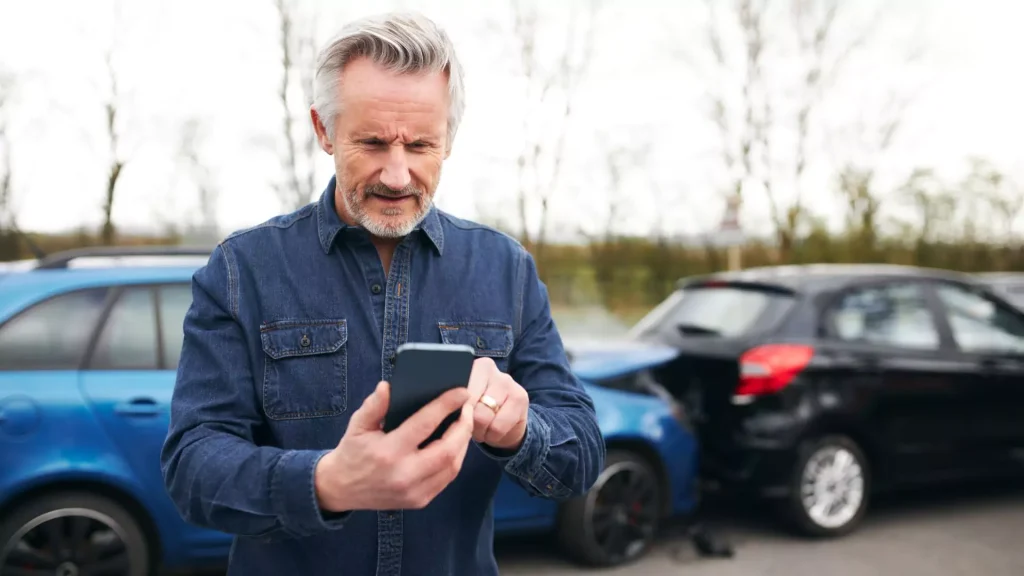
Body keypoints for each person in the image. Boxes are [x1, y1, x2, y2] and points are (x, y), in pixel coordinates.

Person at [160, 11, 605, 576]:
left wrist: (520, 430)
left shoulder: (506, 269)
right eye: (372, 142)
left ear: (449, 139)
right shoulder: (241, 269)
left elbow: (582, 455)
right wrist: (325, 483)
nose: (397, 176)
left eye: (420, 145)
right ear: (324, 131)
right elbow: (192, 468)